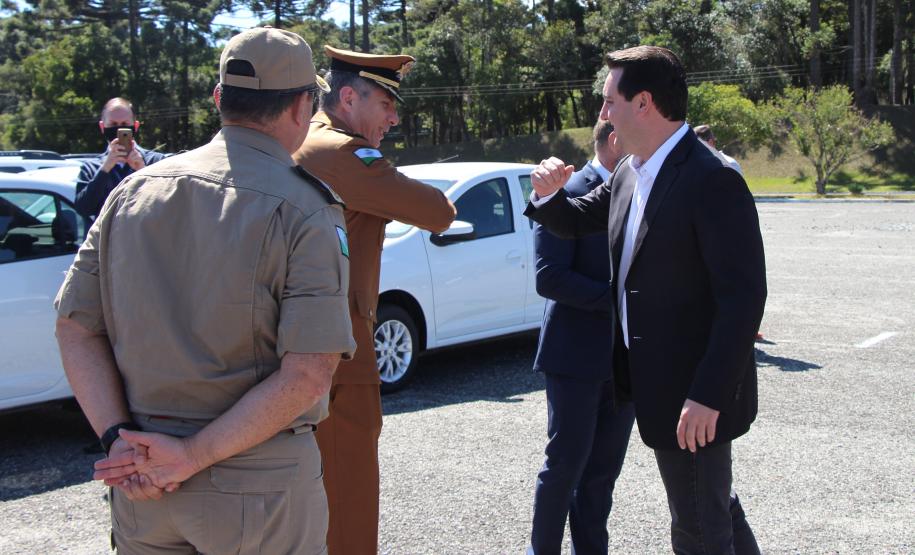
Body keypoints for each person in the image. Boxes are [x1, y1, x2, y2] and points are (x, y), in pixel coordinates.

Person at [54, 27, 355, 554]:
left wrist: (117, 439)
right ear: (302, 106)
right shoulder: (306, 207)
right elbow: (309, 373)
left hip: (142, 484)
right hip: (258, 490)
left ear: (219, 98)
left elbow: (74, 327)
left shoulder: (132, 192)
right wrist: (190, 455)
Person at [525, 46, 766, 555]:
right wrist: (547, 193)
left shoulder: (712, 178)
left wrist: (709, 395)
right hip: (653, 387)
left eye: (609, 100)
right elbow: (575, 220)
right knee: (706, 513)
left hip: (694, 395)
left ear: (644, 103)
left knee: (699, 531)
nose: (602, 113)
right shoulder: (631, 172)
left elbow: (743, 299)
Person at [293, 45, 456, 555]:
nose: (394, 118)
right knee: (349, 504)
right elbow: (439, 212)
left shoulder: (307, 141)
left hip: (309, 345)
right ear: (348, 98)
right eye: (385, 103)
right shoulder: (342, 153)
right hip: (341, 356)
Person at [528, 120, 636, 555]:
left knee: (601, 477)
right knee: (565, 468)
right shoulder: (569, 191)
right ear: (615, 140)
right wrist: (618, 300)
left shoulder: (637, 189)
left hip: (622, 360)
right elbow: (548, 277)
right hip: (574, 359)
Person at [75, 97, 168, 219]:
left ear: (135, 126)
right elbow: (83, 209)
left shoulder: (156, 162)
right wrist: (105, 169)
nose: (118, 129)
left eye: (124, 124)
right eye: (113, 124)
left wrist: (142, 170)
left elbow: (167, 203)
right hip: (106, 232)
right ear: (102, 127)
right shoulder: (91, 168)